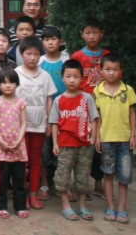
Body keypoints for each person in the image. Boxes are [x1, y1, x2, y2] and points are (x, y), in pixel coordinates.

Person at [49, 59, 99, 222]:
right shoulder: (58, 100)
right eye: (68, 76)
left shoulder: (87, 98)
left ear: (82, 78)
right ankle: (66, 205)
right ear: (62, 78)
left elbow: (94, 118)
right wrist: (55, 143)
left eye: (76, 77)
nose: (72, 80)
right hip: (65, 145)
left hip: (85, 145)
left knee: (83, 176)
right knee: (63, 175)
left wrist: (93, 138)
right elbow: (54, 123)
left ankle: (82, 205)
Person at [94, 54, 136, 225]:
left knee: (124, 176)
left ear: (121, 71)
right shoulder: (97, 91)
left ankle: (122, 209)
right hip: (106, 139)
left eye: (115, 69)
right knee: (108, 174)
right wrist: (96, 137)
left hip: (125, 139)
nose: (111, 73)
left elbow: (132, 113)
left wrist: (133, 135)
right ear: (101, 71)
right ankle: (110, 207)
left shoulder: (128, 90)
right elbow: (96, 117)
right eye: (107, 69)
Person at [14, 36, 57, 210]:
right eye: (28, 54)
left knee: (36, 160)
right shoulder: (16, 73)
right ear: (21, 53)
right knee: (21, 161)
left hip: (39, 126)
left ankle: (33, 194)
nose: (32, 58)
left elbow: (49, 99)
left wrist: (49, 122)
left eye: (36, 54)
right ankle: (22, 195)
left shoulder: (45, 76)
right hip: (21, 127)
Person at [71, 16, 110, 198]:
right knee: (83, 146)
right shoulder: (78, 57)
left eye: (95, 32)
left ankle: (99, 183)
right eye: (88, 32)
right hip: (84, 107)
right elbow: (72, 81)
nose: (92, 36)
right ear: (82, 34)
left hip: (105, 108)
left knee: (101, 146)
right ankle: (82, 184)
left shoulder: (107, 56)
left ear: (101, 33)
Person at [0, 69, 29, 219]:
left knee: (19, 180)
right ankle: (1, 206)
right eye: (4, 82)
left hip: (18, 147)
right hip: (1, 147)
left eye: (11, 82)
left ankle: (20, 206)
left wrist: (19, 140)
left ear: (17, 84)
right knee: (2, 180)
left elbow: (24, 123)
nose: (8, 85)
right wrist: (1, 141)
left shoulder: (21, 103)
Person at [38, 25, 68, 200]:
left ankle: (61, 184)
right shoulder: (39, 61)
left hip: (64, 114)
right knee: (44, 150)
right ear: (42, 42)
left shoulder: (66, 61)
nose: (50, 43)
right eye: (46, 39)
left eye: (53, 39)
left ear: (60, 41)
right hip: (43, 113)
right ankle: (44, 184)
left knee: (63, 150)